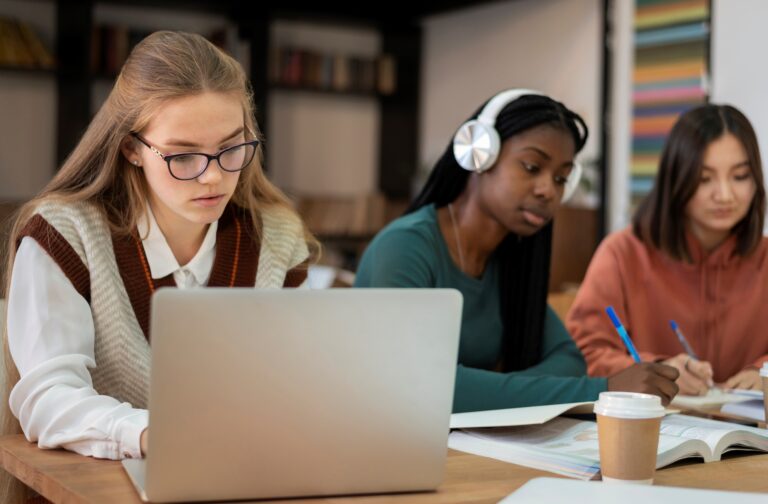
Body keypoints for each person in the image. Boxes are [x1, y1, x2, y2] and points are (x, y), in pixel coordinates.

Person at [0, 30, 317, 498]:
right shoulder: (64, 234)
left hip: (245, 486)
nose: (213, 176)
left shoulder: (278, 235)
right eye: (183, 156)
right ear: (131, 148)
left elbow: (298, 388)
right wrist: (155, 435)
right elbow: (48, 399)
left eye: (232, 148)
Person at [354, 89, 679, 413]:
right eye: (532, 167)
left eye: (561, 178)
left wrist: (489, 391)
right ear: (480, 154)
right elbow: (419, 385)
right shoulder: (405, 247)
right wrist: (603, 391)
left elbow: (568, 359)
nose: (548, 190)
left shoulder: (508, 261)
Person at [567, 104, 768, 395]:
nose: (725, 195)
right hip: (654, 421)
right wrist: (657, 371)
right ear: (676, 178)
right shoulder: (623, 253)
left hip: (744, 423)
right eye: (704, 178)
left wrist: (762, 371)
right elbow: (583, 355)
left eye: (739, 176)